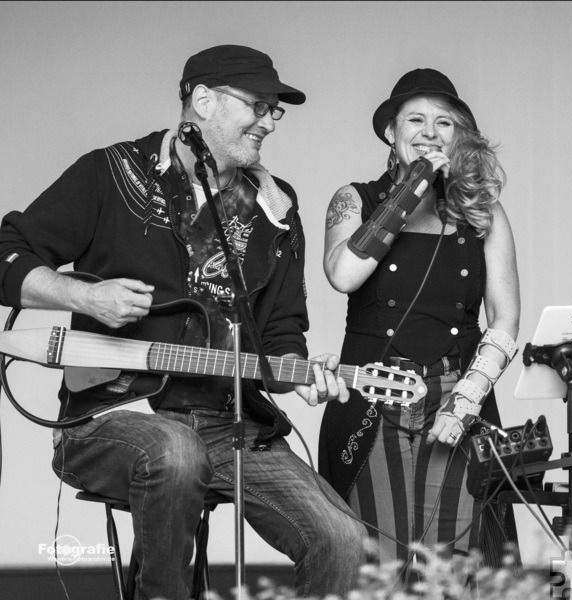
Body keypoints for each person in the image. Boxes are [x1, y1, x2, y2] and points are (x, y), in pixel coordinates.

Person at [0, 45, 366, 600]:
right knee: (175, 452)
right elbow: (7, 250)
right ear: (202, 100)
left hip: (226, 424)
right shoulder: (112, 172)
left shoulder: (277, 208)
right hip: (110, 415)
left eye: (275, 110)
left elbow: (281, 334)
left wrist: (300, 373)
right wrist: (85, 294)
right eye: (258, 105)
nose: (269, 121)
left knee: (342, 539)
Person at [318, 68, 520, 570]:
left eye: (444, 123)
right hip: (370, 399)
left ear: (459, 137)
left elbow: (506, 315)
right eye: (415, 119)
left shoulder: (484, 211)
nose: (430, 132)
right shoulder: (354, 199)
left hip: (457, 398)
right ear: (392, 131)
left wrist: (467, 400)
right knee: (377, 561)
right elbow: (343, 274)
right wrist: (412, 189)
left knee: (453, 565)